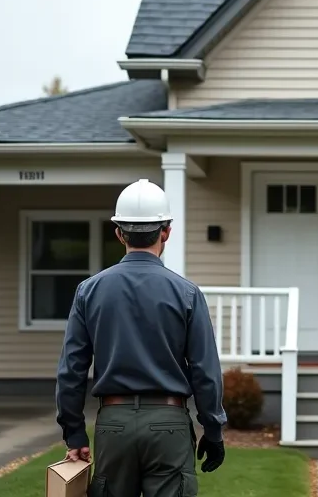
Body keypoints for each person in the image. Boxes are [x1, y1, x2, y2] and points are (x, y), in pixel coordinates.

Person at [55, 178, 227, 497]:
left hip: (113, 425)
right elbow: (205, 371)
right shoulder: (187, 293)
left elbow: (71, 372)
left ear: (119, 232)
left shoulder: (88, 291)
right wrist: (213, 430)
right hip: (169, 424)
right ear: (166, 232)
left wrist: (75, 434)